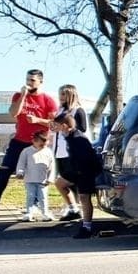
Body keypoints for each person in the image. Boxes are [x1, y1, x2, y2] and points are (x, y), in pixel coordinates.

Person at [0, 69, 58, 211]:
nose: (29, 83)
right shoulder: (19, 96)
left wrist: (37, 120)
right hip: (19, 141)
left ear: (40, 81)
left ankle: (36, 205)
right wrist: (23, 95)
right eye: (27, 79)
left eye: (32, 80)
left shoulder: (48, 100)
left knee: (36, 174)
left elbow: (54, 124)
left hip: (38, 144)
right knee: (5, 169)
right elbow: (14, 113)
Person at [53, 114, 104, 239]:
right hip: (76, 170)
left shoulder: (78, 139)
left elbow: (86, 160)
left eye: (57, 125)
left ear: (65, 126)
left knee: (84, 197)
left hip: (85, 171)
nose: (55, 128)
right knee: (60, 183)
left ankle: (86, 227)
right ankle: (73, 209)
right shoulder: (70, 137)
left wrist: (80, 175)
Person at [52, 84, 89, 221]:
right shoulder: (60, 110)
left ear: (70, 95)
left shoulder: (78, 111)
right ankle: (73, 208)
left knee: (64, 182)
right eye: (60, 94)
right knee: (64, 182)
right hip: (59, 152)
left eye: (63, 94)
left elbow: (83, 129)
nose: (60, 97)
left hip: (72, 152)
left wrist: (68, 128)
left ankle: (75, 209)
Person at [14, 131, 56, 221]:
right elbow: (21, 163)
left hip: (43, 180)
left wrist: (50, 178)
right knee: (30, 196)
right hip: (30, 179)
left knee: (43, 197)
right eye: (41, 144)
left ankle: (45, 213)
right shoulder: (26, 151)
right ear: (34, 141)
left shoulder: (48, 151)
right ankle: (29, 213)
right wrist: (20, 172)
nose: (43, 146)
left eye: (45, 144)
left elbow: (52, 166)